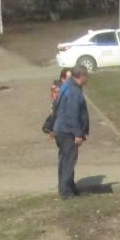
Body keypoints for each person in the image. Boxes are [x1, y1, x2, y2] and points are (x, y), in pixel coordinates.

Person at [52, 64, 89, 199]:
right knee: (68, 160)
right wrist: (78, 134)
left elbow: (55, 105)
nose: (87, 80)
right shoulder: (74, 90)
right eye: (86, 76)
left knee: (64, 160)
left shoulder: (66, 85)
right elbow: (72, 114)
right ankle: (65, 191)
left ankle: (69, 185)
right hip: (67, 131)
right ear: (82, 76)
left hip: (60, 129)